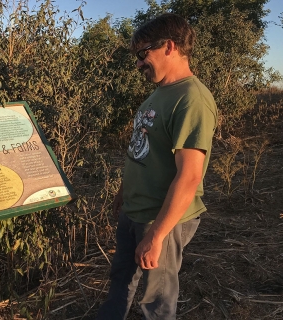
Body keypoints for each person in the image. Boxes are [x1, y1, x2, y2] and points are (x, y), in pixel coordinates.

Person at [97, 13, 218, 320]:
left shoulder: (192, 98)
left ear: (169, 46)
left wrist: (156, 236)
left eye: (142, 54)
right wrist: (124, 192)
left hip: (161, 219)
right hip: (135, 211)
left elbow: (190, 175)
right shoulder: (159, 94)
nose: (138, 64)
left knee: (157, 301)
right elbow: (143, 148)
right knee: (120, 280)